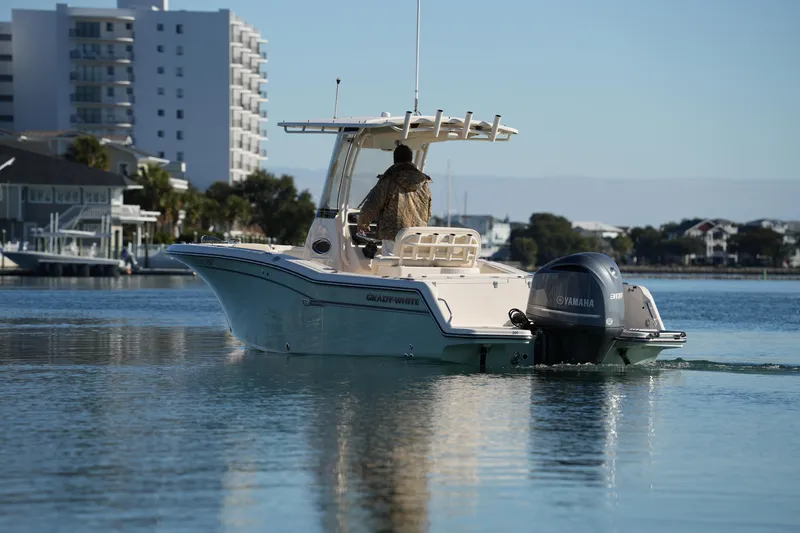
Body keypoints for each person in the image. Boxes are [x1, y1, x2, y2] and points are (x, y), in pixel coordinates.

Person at [357, 144, 432, 256]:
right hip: (417, 235)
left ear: (395, 160)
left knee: (391, 265)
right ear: (410, 159)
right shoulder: (424, 183)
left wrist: (363, 223)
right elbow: (428, 212)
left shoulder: (389, 180)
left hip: (393, 234)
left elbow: (372, 205)